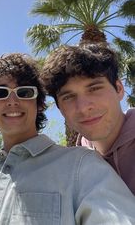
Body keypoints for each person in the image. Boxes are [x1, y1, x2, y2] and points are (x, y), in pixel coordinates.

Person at [0, 53, 135, 225]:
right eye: (0, 93)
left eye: (24, 92)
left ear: (40, 104)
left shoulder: (82, 165)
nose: (12, 101)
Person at [41, 44, 135, 195]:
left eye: (94, 88)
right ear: (60, 109)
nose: (83, 107)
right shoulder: (72, 166)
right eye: (68, 97)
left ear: (119, 89)